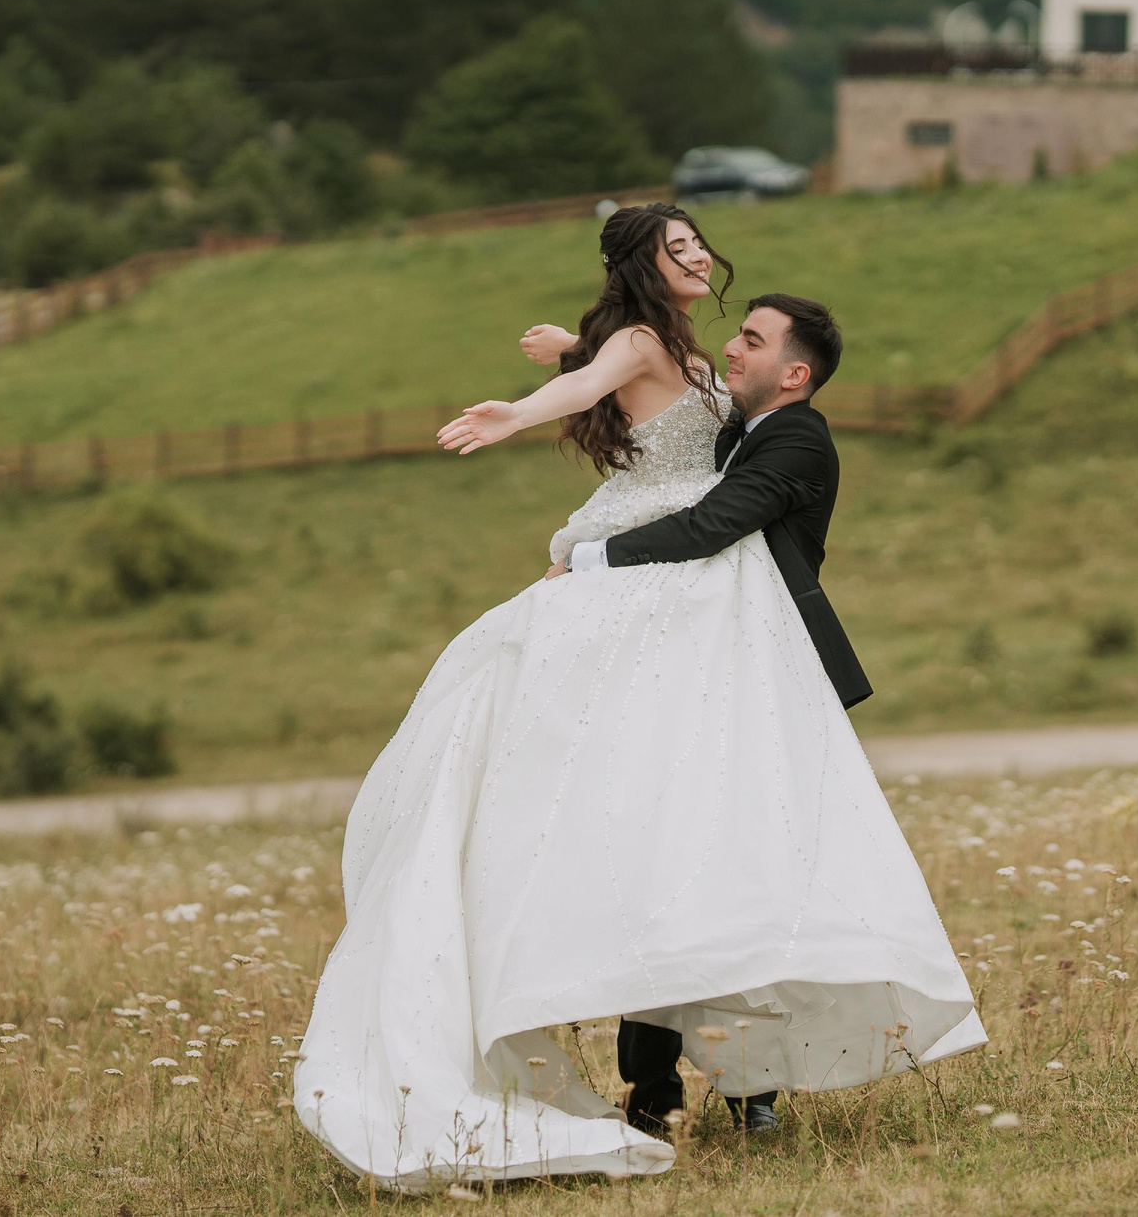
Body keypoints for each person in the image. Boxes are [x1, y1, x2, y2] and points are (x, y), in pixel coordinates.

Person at [292, 203, 982, 1191]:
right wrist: (525, 406)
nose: (702, 260)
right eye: (680, 247)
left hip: (708, 620)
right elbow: (605, 378)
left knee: (721, 847)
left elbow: (699, 488)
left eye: (703, 246)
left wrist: (589, 499)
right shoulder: (668, 355)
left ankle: (738, 1083)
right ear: (647, 267)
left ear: (790, 373)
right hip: (659, 607)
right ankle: (661, 1085)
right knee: (661, 837)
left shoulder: (780, 427)